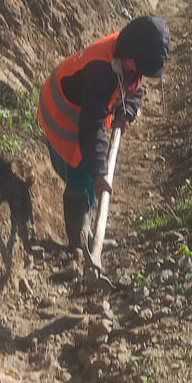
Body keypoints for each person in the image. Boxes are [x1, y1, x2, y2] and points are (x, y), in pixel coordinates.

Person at [37, 13, 171, 252]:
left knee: (92, 170)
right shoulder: (101, 69)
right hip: (61, 115)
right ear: (129, 53)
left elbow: (136, 87)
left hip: (85, 114)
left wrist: (126, 111)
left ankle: (89, 233)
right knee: (83, 175)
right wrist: (100, 174)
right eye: (139, 66)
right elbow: (92, 127)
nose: (140, 71)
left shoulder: (131, 58)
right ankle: (78, 240)